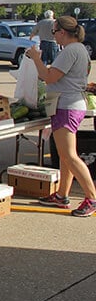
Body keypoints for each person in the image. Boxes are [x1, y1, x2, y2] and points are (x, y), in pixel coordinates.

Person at [27, 15, 96, 217]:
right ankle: (61, 195)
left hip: (66, 105)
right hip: (70, 104)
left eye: (54, 31)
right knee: (65, 156)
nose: (53, 36)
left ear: (63, 32)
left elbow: (48, 77)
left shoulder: (70, 51)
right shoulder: (80, 49)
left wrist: (36, 59)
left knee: (69, 156)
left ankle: (91, 198)